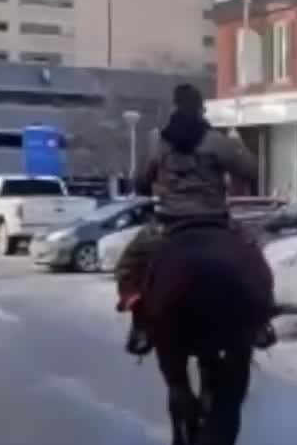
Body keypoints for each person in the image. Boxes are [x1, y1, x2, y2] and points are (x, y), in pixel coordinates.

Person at [115, 83, 276, 356]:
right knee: (255, 257)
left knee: (128, 267)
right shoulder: (216, 141)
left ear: (175, 107)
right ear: (201, 109)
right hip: (215, 221)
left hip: (170, 223)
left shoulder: (159, 142)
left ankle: (141, 325)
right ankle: (261, 322)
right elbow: (250, 169)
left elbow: (142, 182)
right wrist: (238, 147)